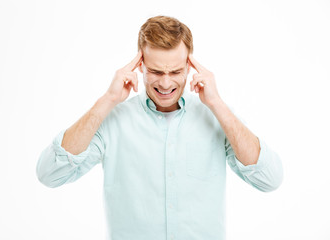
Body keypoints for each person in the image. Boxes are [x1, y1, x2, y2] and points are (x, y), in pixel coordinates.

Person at [36, 15, 283, 240]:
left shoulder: (216, 117)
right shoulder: (113, 121)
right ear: (140, 64)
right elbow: (49, 174)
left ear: (190, 66)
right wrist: (107, 100)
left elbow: (269, 179)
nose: (165, 83)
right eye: (155, 71)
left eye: (175, 71)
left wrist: (217, 103)